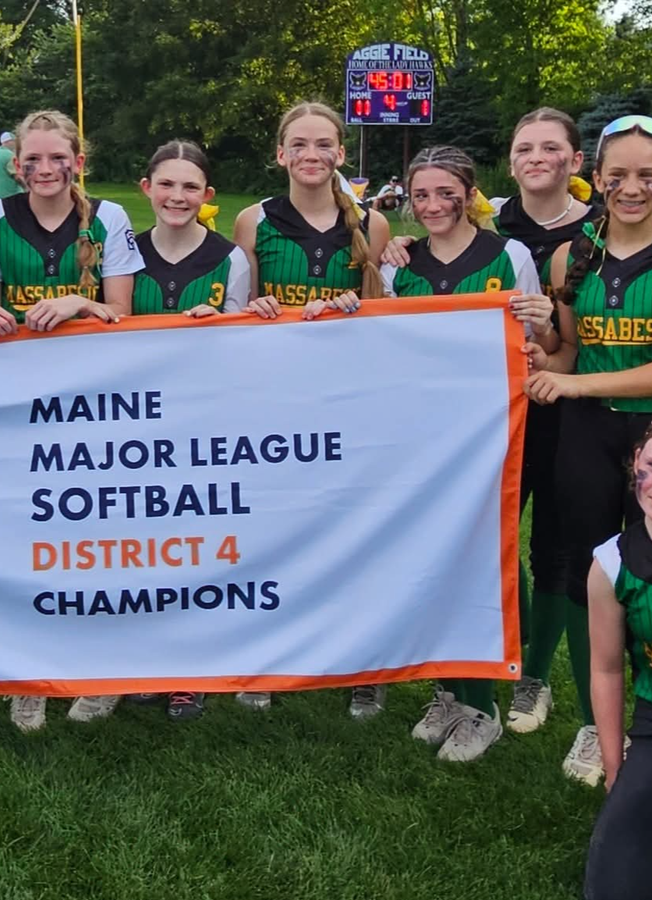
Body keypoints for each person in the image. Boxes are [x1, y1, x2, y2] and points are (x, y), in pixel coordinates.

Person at [382, 108, 595, 776]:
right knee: (440, 556)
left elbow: (541, 343)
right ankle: (452, 691)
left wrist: (539, 325)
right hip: (427, 435)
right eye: (421, 195)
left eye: (447, 193)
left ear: (471, 194)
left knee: (487, 555)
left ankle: (486, 705)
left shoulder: (509, 255)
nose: (433, 205)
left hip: (497, 431)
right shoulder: (402, 264)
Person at [0, 109, 144, 730]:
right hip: (20, 398)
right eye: (33, 159)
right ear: (16, 166)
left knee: (98, 541)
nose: (45, 169)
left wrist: (76, 301)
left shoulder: (108, 216)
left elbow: (121, 313)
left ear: (78, 162)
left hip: (94, 400)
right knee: (28, 537)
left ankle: (101, 667)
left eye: (57, 158)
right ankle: (31, 673)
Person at [231, 101, 390, 717]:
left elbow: (382, 319)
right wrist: (257, 311)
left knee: (353, 531)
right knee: (274, 533)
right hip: (274, 402)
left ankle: (361, 664)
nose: (311, 155)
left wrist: (358, 308)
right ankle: (270, 658)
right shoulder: (253, 221)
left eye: (324, 144)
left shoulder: (373, 224)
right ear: (280, 154)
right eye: (299, 144)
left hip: (348, 403)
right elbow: (239, 311)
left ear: (341, 153)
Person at [527, 115, 652, 786]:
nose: (632, 188)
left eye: (648, 176)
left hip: (647, 435)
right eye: (619, 175)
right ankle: (593, 725)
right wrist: (537, 352)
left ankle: (645, 719)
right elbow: (568, 351)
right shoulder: (571, 256)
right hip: (586, 435)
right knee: (589, 575)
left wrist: (574, 382)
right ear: (597, 176)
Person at [124, 139, 250, 721]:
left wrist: (220, 325)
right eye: (167, 184)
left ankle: (193, 671)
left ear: (207, 196)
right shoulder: (122, 253)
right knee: (139, 548)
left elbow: (246, 345)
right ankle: (146, 660)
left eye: (190, 187)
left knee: (197, 548)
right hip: (133, 424)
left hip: (204, 423)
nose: (177, 196)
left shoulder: (231, 260)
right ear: (146, 188)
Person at [583, 422, 652, 900]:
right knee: (615, 884)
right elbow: (606, 669)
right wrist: (614, 770)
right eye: (650, 468)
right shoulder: (613, 564)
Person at [0, 131, 24, 200]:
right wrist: (26, 187)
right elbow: (16, 176)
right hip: (11, 195)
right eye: (14, 141)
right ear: (8, 141)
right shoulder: (9, 155)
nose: (15, 144)